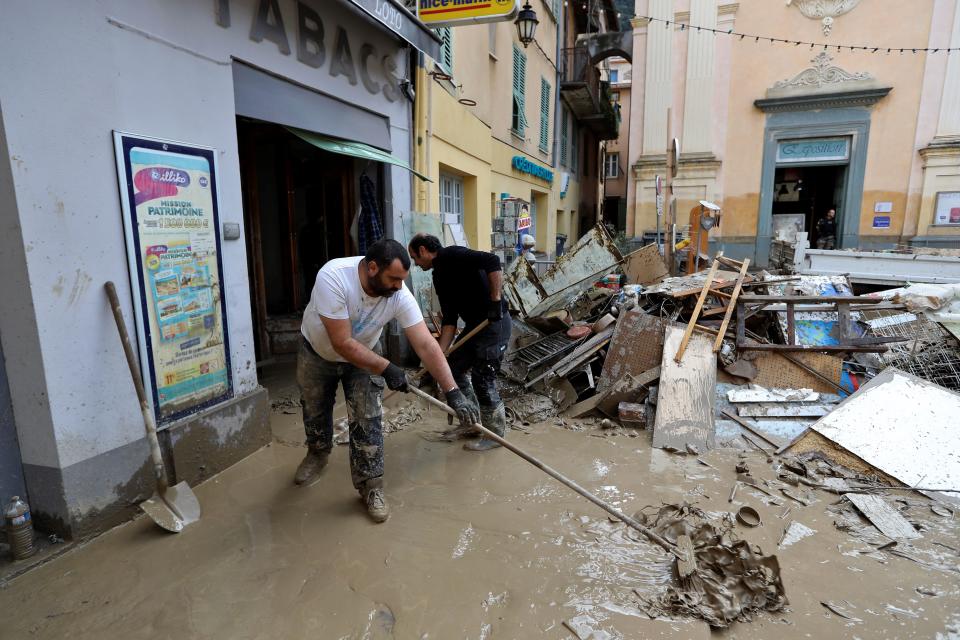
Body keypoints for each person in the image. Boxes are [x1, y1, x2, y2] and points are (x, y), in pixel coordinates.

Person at [295, 239, 480, 523]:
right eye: (393, 279)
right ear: (371, 268)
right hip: (318, 353)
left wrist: (452, 390)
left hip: (365, 357)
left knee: (368, 419)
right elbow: (342, 342)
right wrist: (389, 368)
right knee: (315, 407)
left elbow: (426, 346)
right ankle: (317, 453)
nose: (398, 286)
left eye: (402, 280)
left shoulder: (398, 293)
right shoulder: (333, 277)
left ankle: (371, 486)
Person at [408, 233, 511, 452]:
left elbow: (492, 261)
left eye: (415, 258)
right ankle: (472, 422)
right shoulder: (438, 277)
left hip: (494, 323)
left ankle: (495, 435)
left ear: (424, 250)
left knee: (482, 378)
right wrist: (437, 356)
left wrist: (495, 301)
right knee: (451, 369)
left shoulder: (454, 255)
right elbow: (449, 320)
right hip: (474, 327)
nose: (415, 264)